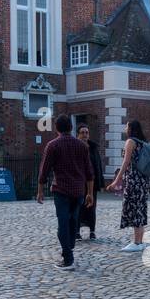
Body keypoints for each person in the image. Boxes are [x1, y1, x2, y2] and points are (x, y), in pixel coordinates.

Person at [36, 115, 96, 271]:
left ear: (57, 128)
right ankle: (70, 245)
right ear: (71, 128)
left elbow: (44, 170)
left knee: (62, 222)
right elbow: (89, 172)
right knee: (72, 219)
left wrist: (40, 190)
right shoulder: (82, 146)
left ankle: (68, 257)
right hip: (78, 191)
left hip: (61, 190)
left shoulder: (53, 145)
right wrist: (90, 193)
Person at [107, 119, 150, 253]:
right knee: (140, 208)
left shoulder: (130, 142)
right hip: (143, 180)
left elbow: (126, 163)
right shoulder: (143, 143)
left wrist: (116, 180)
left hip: (133, 180)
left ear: (131, 128)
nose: (125, 128)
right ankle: (140, 241)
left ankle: (137, 242)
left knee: (134, 208)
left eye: (126, 126)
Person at [76, 124, 106, 242]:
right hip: (78, 182)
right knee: (78, 207)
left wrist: (101, 183)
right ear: (78, 135)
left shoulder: (93, 148)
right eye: (82, 132)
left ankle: (92, 231)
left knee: (91, 208)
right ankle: (77, 231)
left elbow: (98, 165)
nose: (84, 135)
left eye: (86, 132)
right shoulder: (75, 147)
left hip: (92, 183)